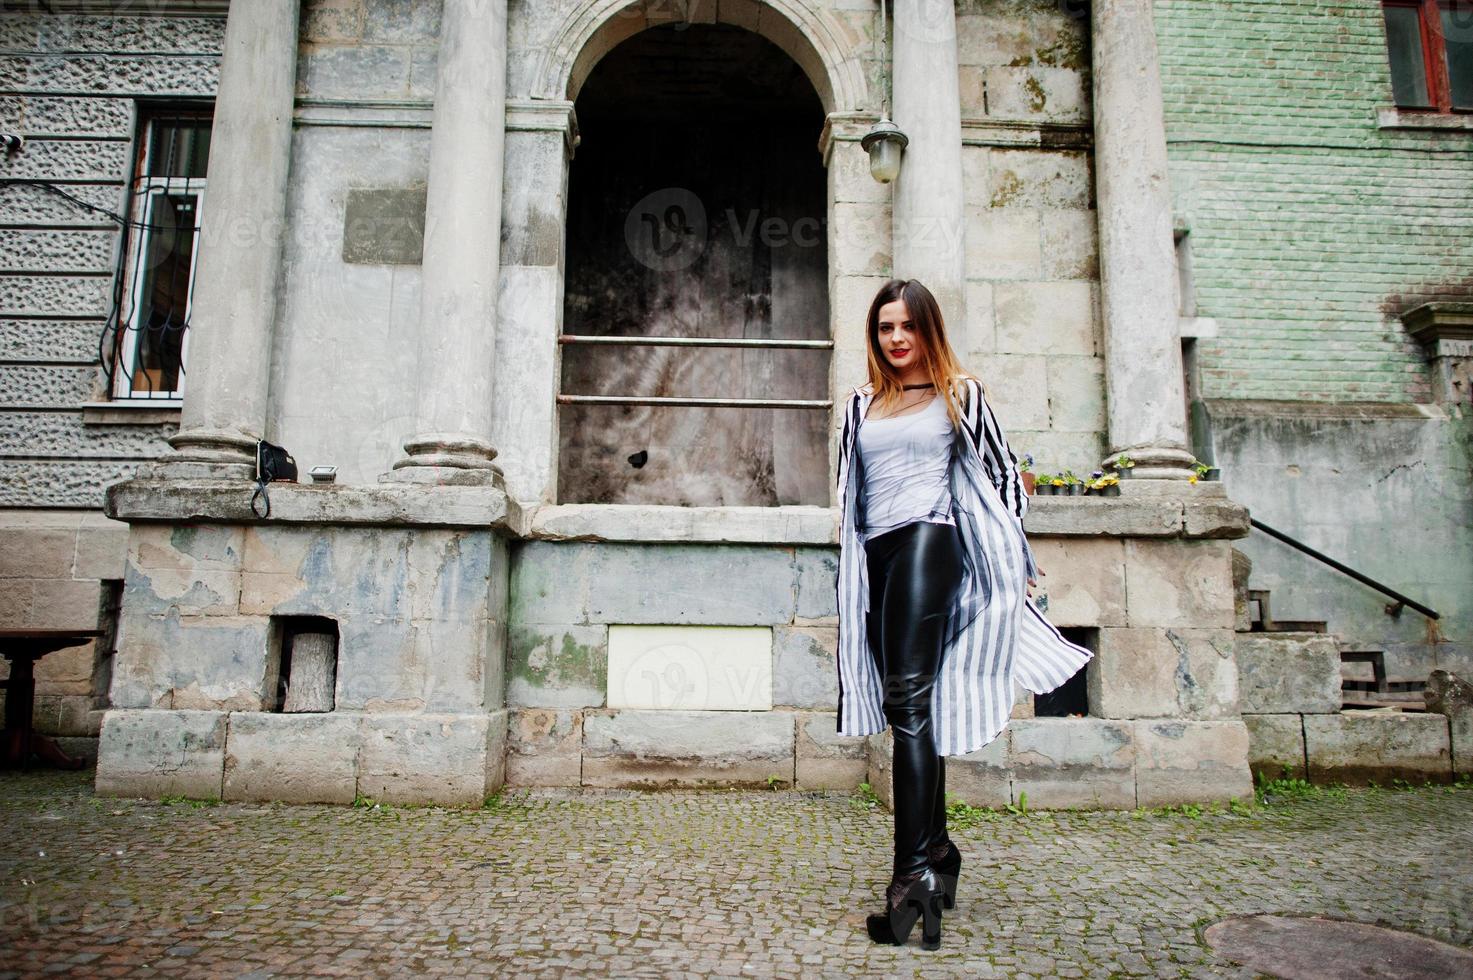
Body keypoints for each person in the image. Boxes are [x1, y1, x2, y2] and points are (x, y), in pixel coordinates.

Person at [833, 278, 1094, 949]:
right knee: (907, 710)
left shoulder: (960, 394)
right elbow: (848, 496)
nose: (895, 339)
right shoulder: (860, 403)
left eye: (907, 327)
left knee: (909, 701)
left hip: (932, 537)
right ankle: (939, 850)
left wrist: (1013, 551)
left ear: (928, 331)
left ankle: (909, 879)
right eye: (885, 327)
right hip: (876, 557)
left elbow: (1003, 476)